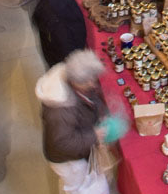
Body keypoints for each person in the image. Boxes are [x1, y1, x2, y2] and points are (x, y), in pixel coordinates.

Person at [37, 49, 115, 194]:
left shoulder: (79, 85)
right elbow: (62, 143)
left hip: (78, 151)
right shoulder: (60, 111)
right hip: (67, 160)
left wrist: (101, 114)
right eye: (89, 81)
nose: (93, 84)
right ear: (75, 82)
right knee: (77, 186)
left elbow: (92, 99)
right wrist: (94, 135)